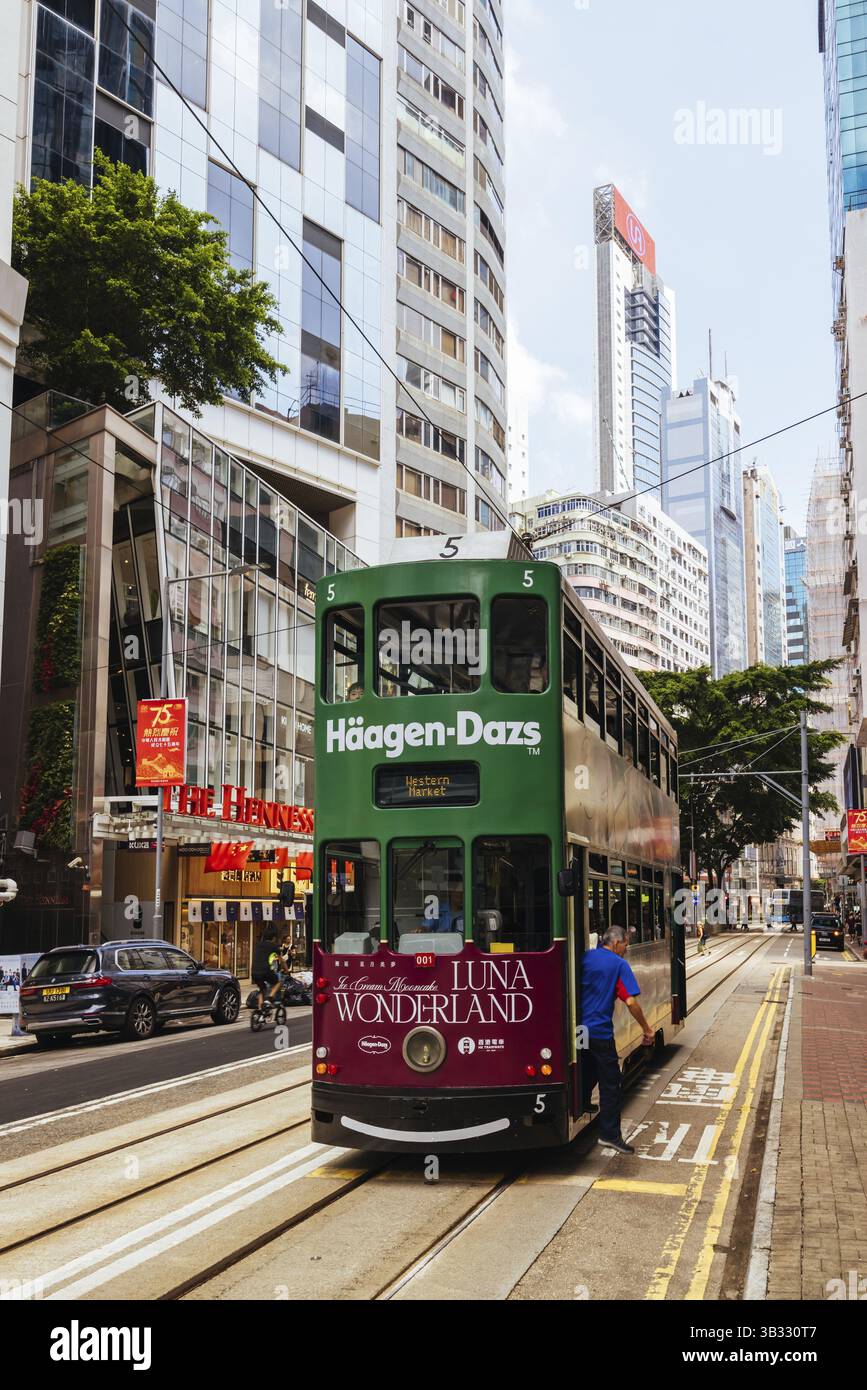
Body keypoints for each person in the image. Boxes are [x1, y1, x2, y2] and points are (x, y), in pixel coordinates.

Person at [580, 925, 654, 1156]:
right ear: (615, 943)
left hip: (578, 1030)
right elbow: (631, 1002)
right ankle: (610, 1135)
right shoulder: (618, 964)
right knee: (611, 1082)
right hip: (600, 1032)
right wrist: (647, 1029)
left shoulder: (585, 957)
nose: (627, 948)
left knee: (587, 1068)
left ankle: (582, 1101)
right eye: (625, 944)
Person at [251, 924, 281, 1013]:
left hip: (254, 972)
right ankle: (269, 999)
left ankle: (260, 1010)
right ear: (274, 938)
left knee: (262, 989)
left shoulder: (258, 945)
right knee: (278, 982)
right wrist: (286, 970)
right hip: (265, 971)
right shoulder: (274, 947)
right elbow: (281, 960)